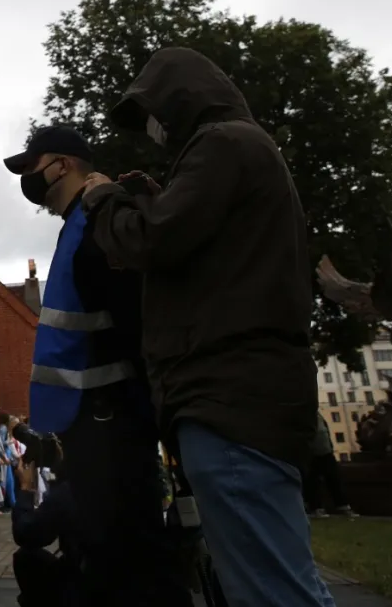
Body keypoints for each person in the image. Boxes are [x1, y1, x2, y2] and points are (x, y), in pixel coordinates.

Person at [83, 47, 333, 607]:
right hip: (242, 395)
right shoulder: (242, 147)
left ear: (176, 100)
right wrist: (151, 199)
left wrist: (104, 201)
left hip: (228, 397)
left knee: (271, 587)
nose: (152, 130)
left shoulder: (223, 145)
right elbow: (198, 246)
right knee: (270, 576)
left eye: (152, 113)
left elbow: (154, 242)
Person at [5, 124, 190, 606]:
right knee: (106, 555)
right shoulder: (77, 223)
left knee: (131, 555)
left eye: (32, 165)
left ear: (61, 165)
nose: (28, 176)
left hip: (111, 422)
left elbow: (131, 320)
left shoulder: (95, 222)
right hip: (92, 423)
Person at [11, 460, 83, 607]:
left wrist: (25, 488)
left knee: (25, 558)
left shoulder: (75, 487)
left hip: (85, 579)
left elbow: (26, 533)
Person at [304, 410, 353, 518]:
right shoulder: (303, 414)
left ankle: (342, 506)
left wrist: (330, 446)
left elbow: (326, 429)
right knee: (313, 481)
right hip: (312, 452)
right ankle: (317, 508)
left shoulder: (317, 414)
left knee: (334, 479)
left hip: (325, 451)